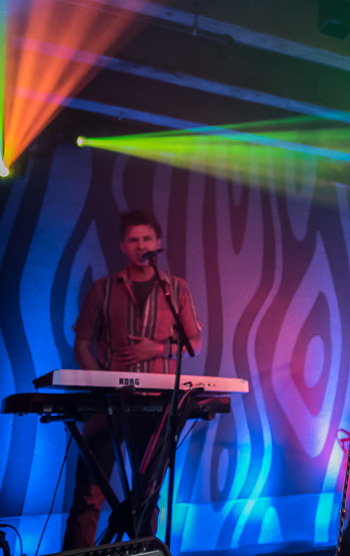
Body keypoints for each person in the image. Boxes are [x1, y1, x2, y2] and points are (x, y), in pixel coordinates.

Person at [64, 209, 203, 548]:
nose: (140, 244)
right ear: (123, 246)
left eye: (146, 239)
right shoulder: (103, 289)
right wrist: (100, 382)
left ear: (157, 244)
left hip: (156, 405)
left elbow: (194, 343)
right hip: (107, 404)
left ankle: (141, 553)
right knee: (89, 492)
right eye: (133, 240)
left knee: (147, 494)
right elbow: (82, 343)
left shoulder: (177, 289)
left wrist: (154, 349)